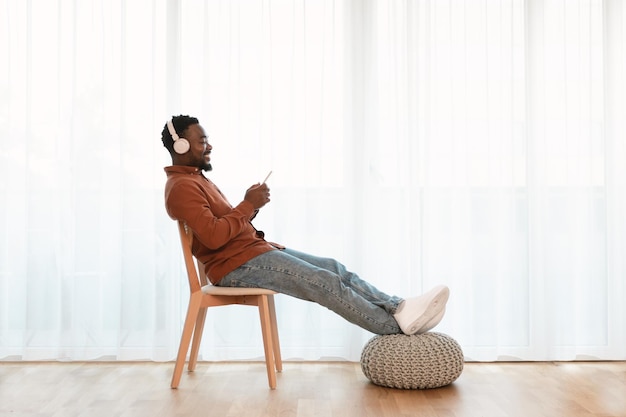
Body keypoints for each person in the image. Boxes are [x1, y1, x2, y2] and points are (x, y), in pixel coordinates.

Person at [161, 115, 449, 335]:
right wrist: (249, 204)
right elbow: (213, 236)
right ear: (181, 146)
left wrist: (252, 206)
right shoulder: (181, 187)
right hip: (235, 266)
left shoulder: (195, 179)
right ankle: (395, 328)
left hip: (250, 253)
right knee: (324, 282)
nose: (209, 146)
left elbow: (222, 225)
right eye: (202, 141)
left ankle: (400, 308)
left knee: (333, 268)